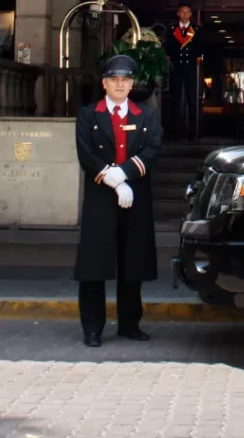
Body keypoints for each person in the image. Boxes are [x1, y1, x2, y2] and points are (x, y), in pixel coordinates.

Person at [73, 54, 162, 348]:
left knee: (132, 261)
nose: (120, 84)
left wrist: (124, 176)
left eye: (125, 80)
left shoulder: (145, 115)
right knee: (94, 263)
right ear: (104, 83)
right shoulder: (89, 114)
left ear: (131, 83)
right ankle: (92, 328)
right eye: (114, 80)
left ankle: (129, 324)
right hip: (101, 195)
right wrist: (110, 178)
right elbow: (86, 154)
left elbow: (153, 149)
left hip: (134, 195)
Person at [163, 3, 203, 140]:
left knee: (192, 99)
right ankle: (176, 131)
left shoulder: (197, 29)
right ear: (178, 14)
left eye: (187, 12)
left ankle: (193, 132)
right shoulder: (171, 29)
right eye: (182, 12)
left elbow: (201, 48)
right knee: (175, 99)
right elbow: (168, 48)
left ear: (191, 14)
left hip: (191, 68)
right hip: (176, 68)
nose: (185, 15)